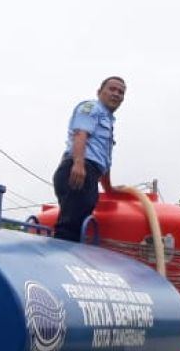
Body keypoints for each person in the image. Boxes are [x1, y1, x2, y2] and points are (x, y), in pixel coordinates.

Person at [52, 76, 126, 242]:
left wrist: (109, 189)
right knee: (70, 228)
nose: (116, 94)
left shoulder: (107, 121)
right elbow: (81, 134)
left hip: (89, 173)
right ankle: (63, 259)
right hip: (79, 170)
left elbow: (103, 160)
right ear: (100, 92)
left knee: (78, 225)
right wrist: (78, 164)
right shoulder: (91, 108)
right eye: (112, 89)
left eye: (121, 92)